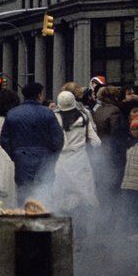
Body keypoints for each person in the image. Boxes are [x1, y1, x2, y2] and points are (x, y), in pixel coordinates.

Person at [0, 82, 64, 205]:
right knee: (44, 193)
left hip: (21, 158)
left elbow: (4, 140)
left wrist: (15, 154)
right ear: (39, 95)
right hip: (44, 158)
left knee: (24, 194)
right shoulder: (48, 113)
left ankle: (24, 219)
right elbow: (58, 139)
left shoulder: (12, 113)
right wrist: (52, 157)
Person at [51, 90, 100, 237]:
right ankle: (87, 231)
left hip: (61, 161)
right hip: (80, 161)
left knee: (61, 197)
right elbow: (97, 142)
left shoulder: (55, 118)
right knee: (85, 196)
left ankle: (63, 232)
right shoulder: (84, 117)